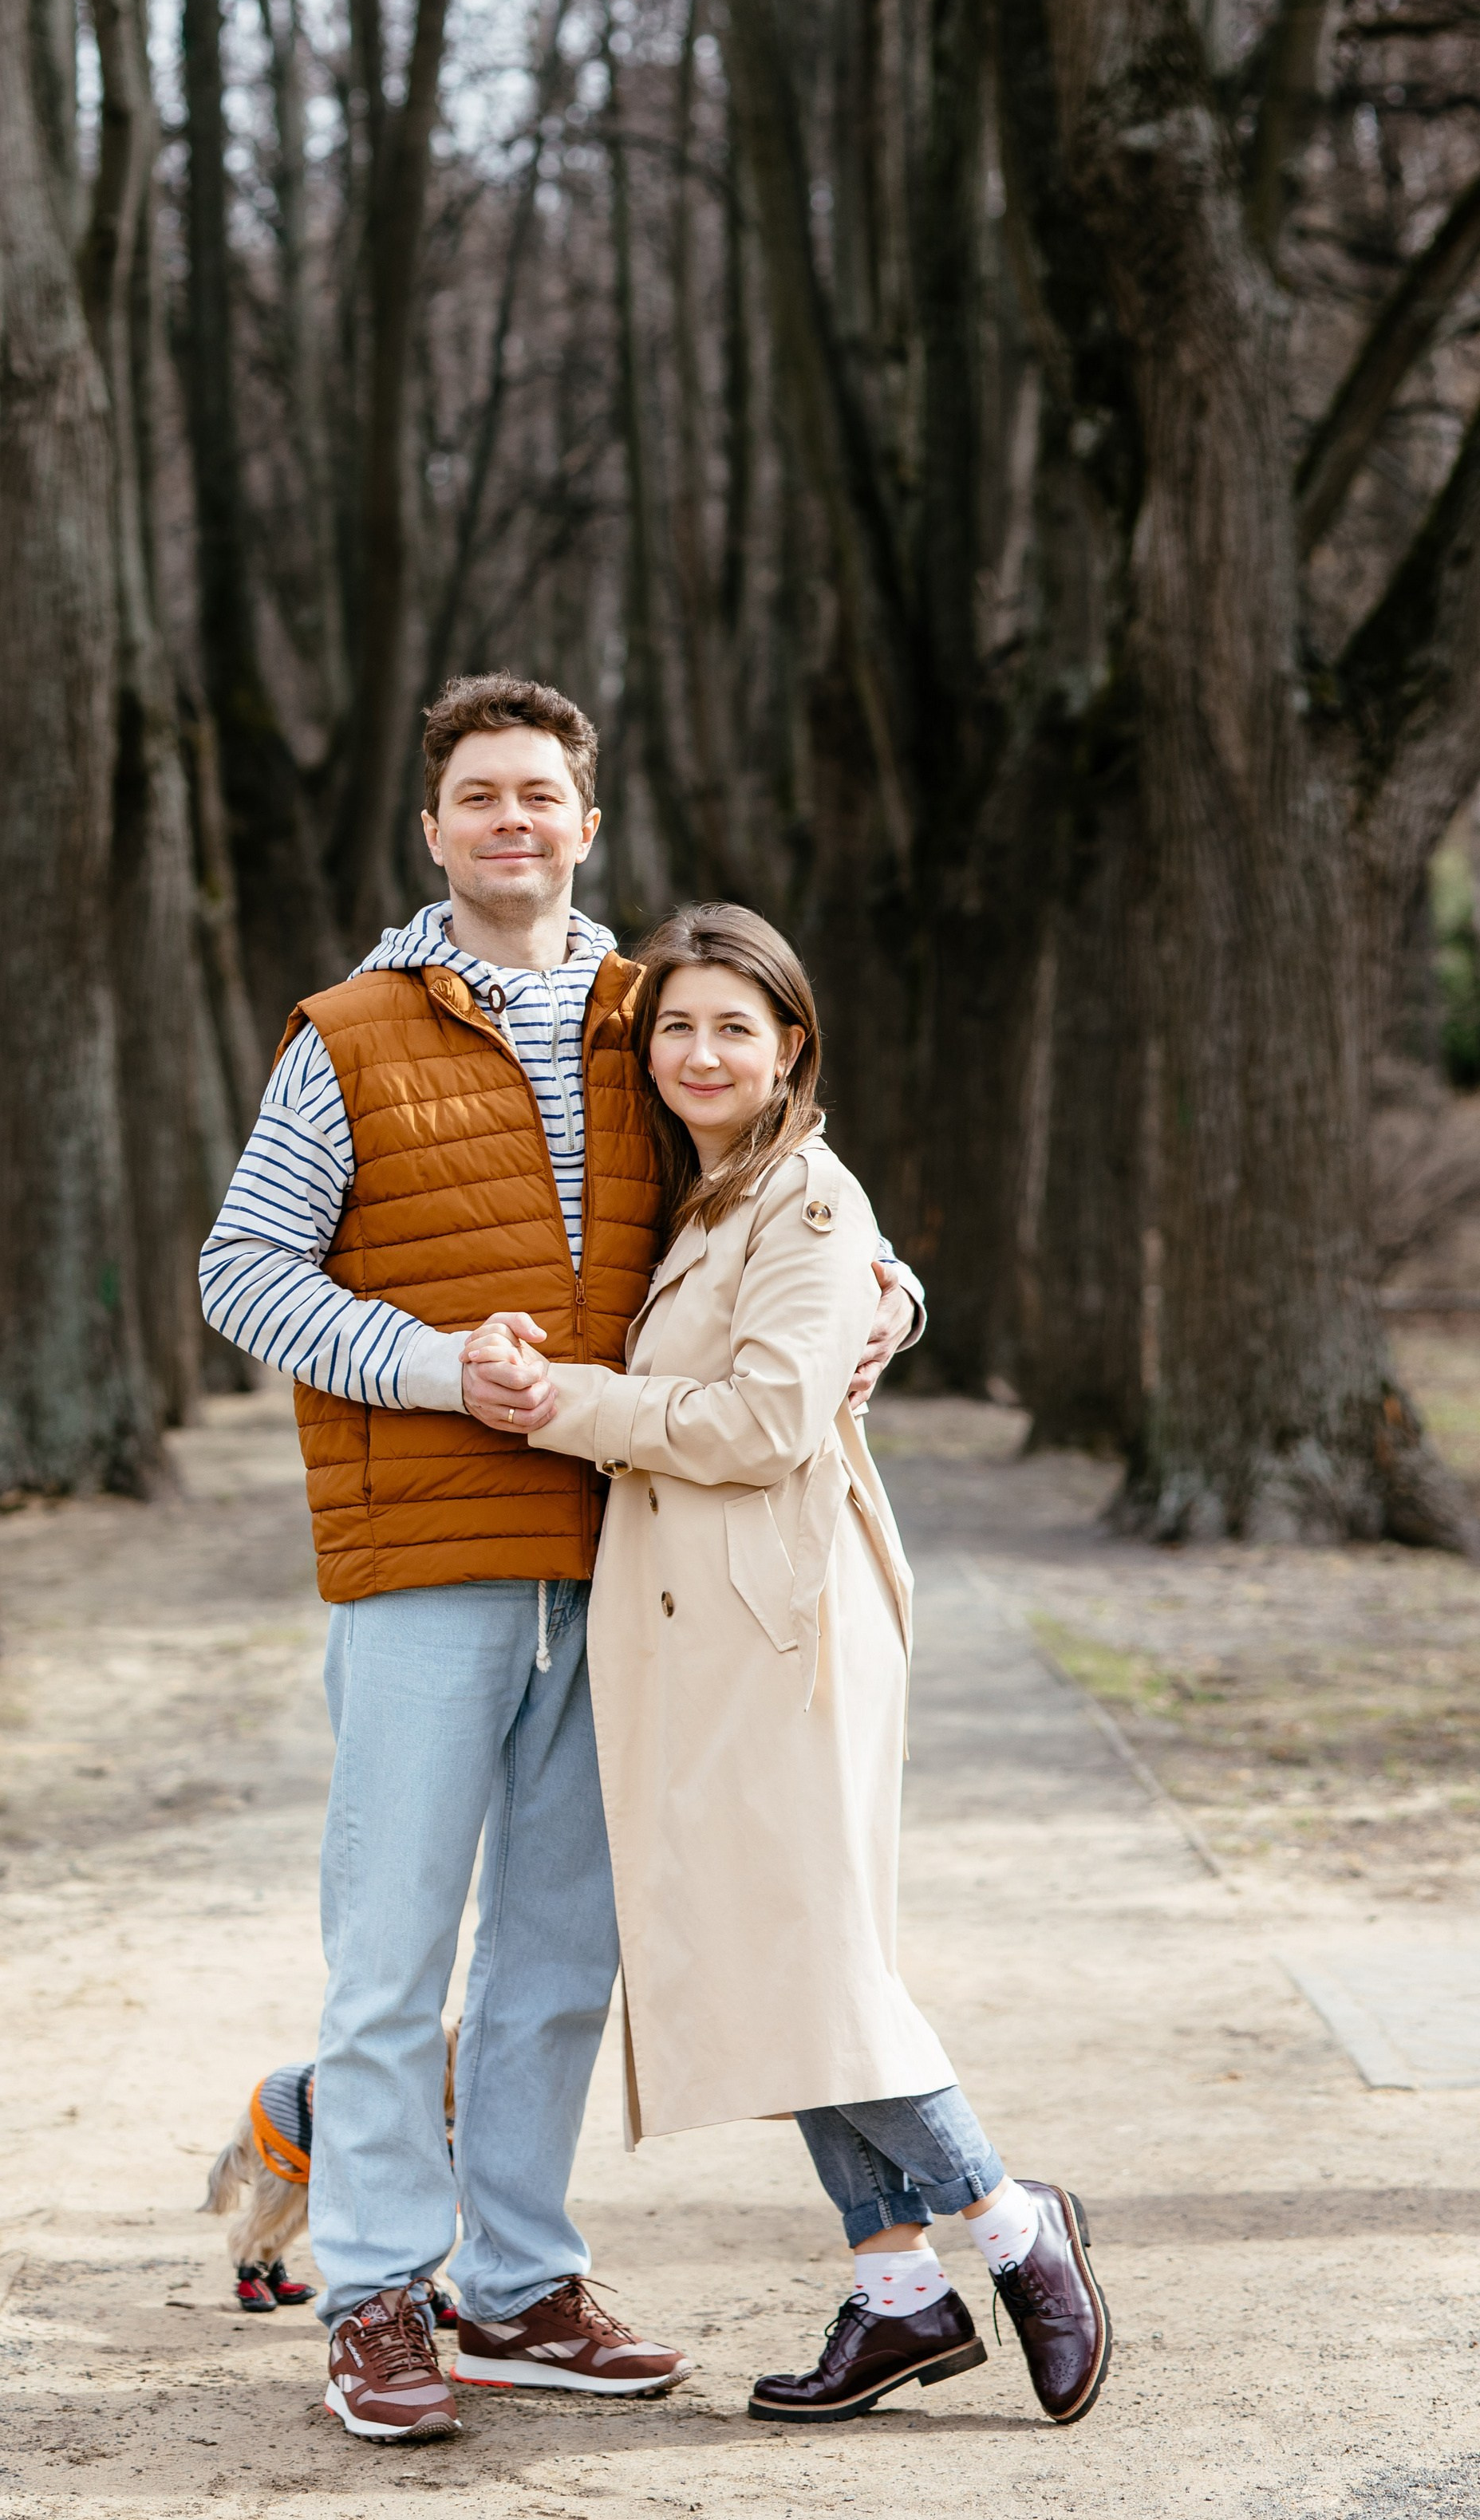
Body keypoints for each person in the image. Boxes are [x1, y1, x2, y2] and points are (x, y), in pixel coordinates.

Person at [197, 675, 925, 2443]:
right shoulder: (345, 1036)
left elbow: (794, 1196)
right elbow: (242, 1273)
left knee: (557, 1953)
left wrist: (893, 1302)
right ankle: (374, 2293)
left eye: (543, 795)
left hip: (631, 1560)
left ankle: (515, 2282)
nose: (512, 821)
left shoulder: (651, 1017)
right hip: (429, 1554)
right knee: (390, 1957)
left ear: (588, 824)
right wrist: (444, 1370)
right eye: (479, 797)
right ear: (433, 829)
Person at [463, 902, 1112, 2430]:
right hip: (713, 1633)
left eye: (733, 1029)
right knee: (769, 1960)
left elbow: (760, 1425)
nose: (700, 1052)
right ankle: (896, 2293)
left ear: (790, 1049)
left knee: (808, 1961)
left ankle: (1017, 2232)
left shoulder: (806, 1203)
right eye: (677, 1027)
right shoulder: (711, 1200)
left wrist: (563, 1403)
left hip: (784, 1627)